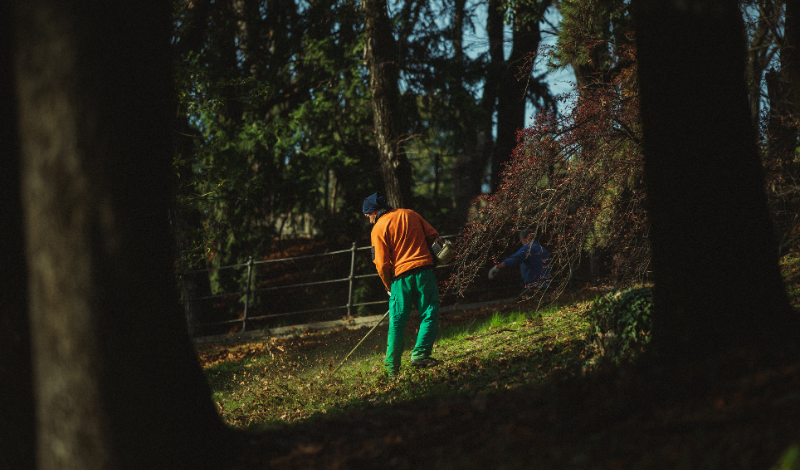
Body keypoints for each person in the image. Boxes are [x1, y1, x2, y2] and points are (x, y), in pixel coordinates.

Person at [362, 192, 443, 377]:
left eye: (368, 216)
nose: (369, 221)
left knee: (397, 323)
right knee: (429, 313)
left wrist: (388, 286)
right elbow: (434, 237)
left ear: (374, 212)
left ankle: (392, 369)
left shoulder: (379, 228)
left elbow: (381, 263)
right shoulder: (411, 214)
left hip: (400, 279)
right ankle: (421, 354)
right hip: (424, 271)